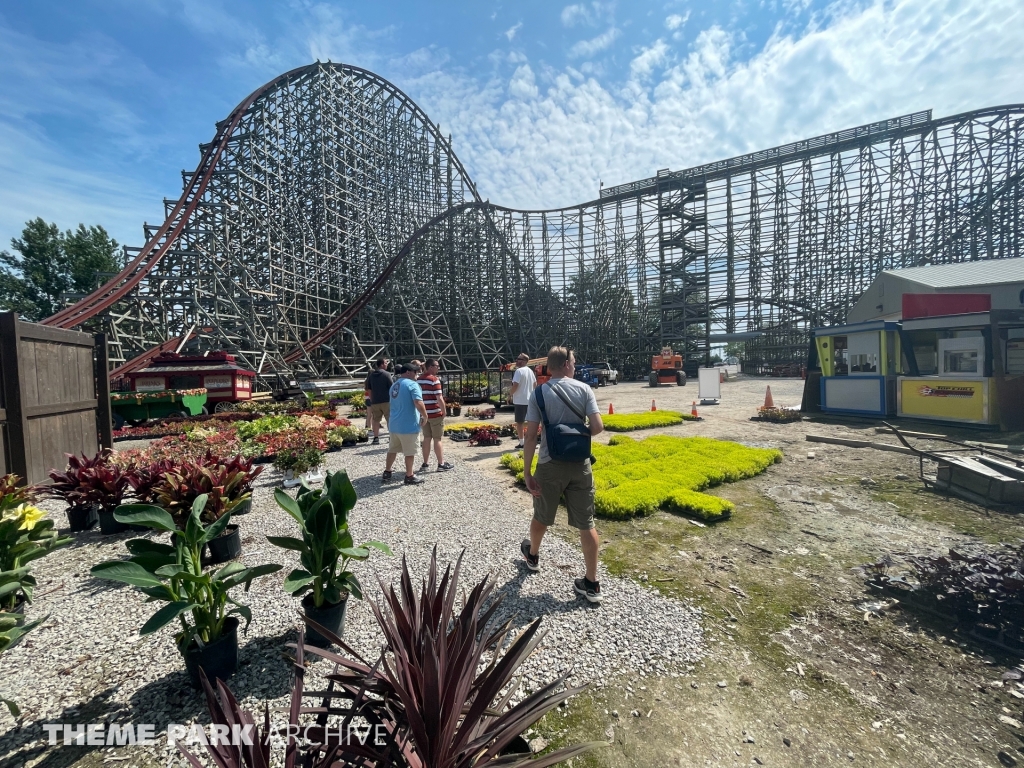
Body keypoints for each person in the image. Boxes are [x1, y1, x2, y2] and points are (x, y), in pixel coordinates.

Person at [520, 346, 605, 604]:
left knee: (542, 515)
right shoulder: (584, 389)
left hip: (549, 463)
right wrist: (576, 437)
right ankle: (591, 583)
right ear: (567, 364)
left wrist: (527, 471)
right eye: (574, 362)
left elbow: (531, 435)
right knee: (586, 523)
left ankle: (533, 555)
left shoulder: (539, 392)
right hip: (580, 464)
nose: (576, 366)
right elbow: (599, 427)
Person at [383, 362, 428, 485]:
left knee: (392, 449)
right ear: (408, 372)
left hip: (394, 423)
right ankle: (409, 475)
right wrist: (425, 415)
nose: (417, 375)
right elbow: (418, 402)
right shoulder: (413, 385)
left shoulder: (394, 385)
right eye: (415, 372)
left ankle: (387, 472)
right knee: (410, 452)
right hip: (408, 424)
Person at [417, 359, 454, 472]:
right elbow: (439, 398)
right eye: (437, 366)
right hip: (435, 413)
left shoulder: (418, 380)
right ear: (430, 367)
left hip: (424, 414)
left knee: (427, 438)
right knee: (437, 439)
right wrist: (444, 411)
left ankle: (425, 463)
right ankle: (440, 464)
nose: (439, 368)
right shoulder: (434, 380)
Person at [510, 352, 537, 449]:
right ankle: (532, 441)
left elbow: (515, 385)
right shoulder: (530, 371)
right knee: (531, 422)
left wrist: (510, 395)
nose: (516, 360)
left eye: (519, 359)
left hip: (520, 400)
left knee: (520, 423)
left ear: (524, 361)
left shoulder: (519, 371)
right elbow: (535, 384)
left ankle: (522, 443)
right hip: (529, 399)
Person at [366, 358, 392, 445]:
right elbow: (391, 388)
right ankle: (391, 436)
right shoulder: (387, 374)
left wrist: (371, 398)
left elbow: (369, 389)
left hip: (375, 401)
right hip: (386, 400)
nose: (387, 364)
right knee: (389, 419)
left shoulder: (371, 375)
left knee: (376, 420)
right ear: (381, 364)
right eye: (385, 363)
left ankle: (376, 438)